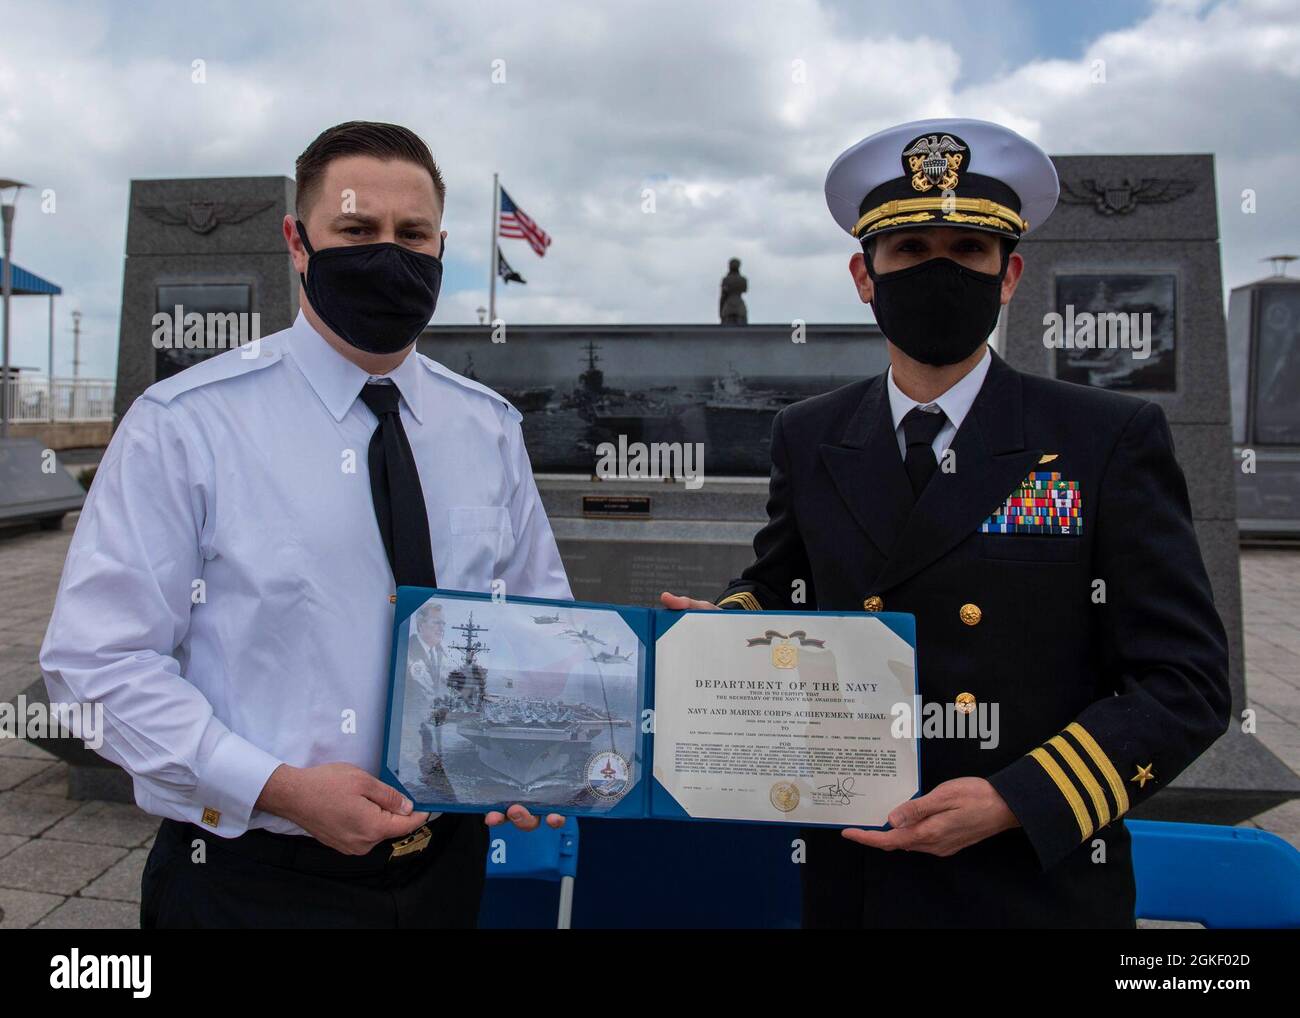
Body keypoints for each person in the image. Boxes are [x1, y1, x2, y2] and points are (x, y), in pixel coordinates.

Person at [663, 117, 1230, 928]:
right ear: (865, 275)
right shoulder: (811, 433)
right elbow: (783, 581)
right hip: (856, 869)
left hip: (1029, 879)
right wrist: (724, 629)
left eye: (966, 252)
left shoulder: (1103, 438)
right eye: (910, 252)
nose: (939, 272)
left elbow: (1187, 683)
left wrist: (1016, 797)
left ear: (1009, 276)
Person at [41, 121, 571, 929]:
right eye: (357, 230)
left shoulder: (487, 428)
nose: (387, 252)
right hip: (252, 880)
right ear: (297, 241)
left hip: (448, 872)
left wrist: (537, 761)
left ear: (441, 246)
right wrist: (276, 786)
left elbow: (540, 625)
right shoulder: (188, 425)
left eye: (412, 234)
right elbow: (95, 666)